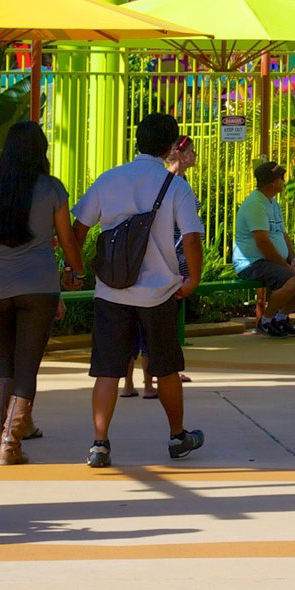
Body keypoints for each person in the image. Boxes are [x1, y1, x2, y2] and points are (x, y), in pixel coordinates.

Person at [70, 111, 206, 469]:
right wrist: (192, 279)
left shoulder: (109, 179)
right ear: (172, 146)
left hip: (111, 291)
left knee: (107, 370)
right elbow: (191, 238)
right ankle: (177, 436)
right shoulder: (176, 186)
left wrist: (75, 269)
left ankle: (100, 443)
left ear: (137, 141)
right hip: (160, 293)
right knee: (167, 368)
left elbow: (79, 227)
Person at [0, 121, 82, 464]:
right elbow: (67, 239)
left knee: (7, 356)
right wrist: (77, 270)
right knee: (27, 365)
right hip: (39, 285)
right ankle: (11, 443)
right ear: (41, 151)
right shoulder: (52, 188)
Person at [126, 134, 199, 396]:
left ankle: (154, 376)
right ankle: (148, 380)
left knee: (151, 324)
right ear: (179, 153)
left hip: (172, 258)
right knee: (153, 324)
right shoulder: (170, 183)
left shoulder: (178, 182)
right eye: (191, 152)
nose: (194, 157)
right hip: (166, 258)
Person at [233, 159, 295, 337]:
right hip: (252, 263)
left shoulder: (273, 203)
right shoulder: (255, 205)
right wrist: (286, 266)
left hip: (273, 261)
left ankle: (280, 318)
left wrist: (292, 259)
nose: (284, 181)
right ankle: (265, 321)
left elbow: (283, 235)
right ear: (272, 182)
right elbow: (263, 243)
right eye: (281, 177)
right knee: (291, 280)